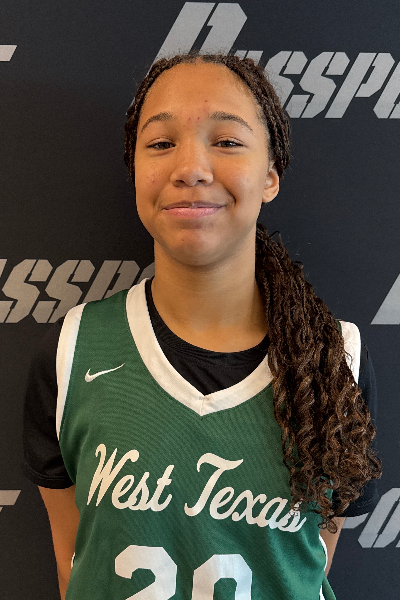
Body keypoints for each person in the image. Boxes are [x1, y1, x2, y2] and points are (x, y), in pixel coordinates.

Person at [23, 53, 381, 600]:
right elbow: (76, 562)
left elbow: (311, 561)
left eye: (228, 141)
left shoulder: (338, 361)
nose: (190, 167)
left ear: (270, 176)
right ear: (135, 172)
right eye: (161, 143)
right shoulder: (71, 353)